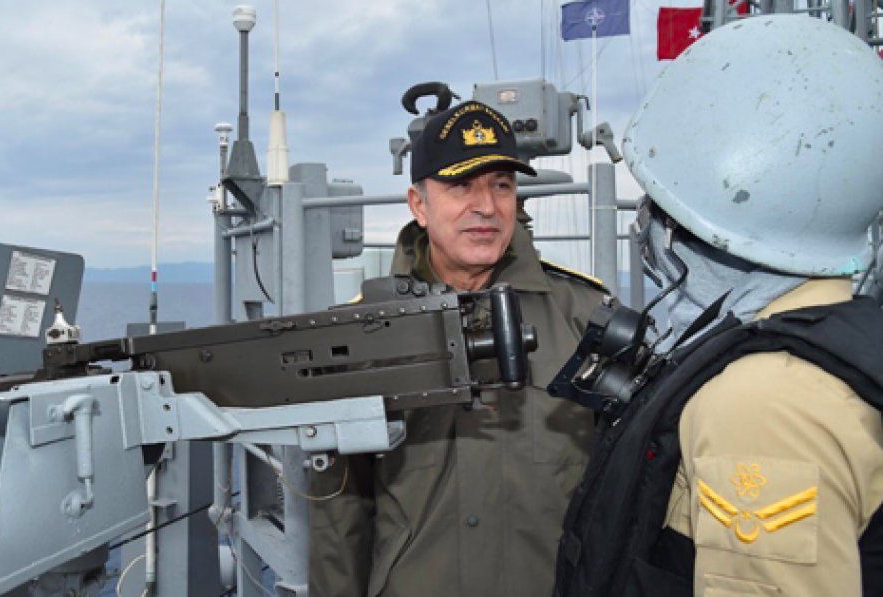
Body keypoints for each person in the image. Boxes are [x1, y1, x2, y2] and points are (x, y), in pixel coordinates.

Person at [552, 15, 883, 597]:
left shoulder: (761, 403)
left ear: (688, 228)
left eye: (659, 203)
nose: (644, 223)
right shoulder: (846, 338)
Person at [307, 99, 609, 596]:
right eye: (461, 185)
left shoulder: (585, 318)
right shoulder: (361, 334)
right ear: (419, 205)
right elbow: (339, 513)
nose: (486, 206)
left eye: (501, 185)